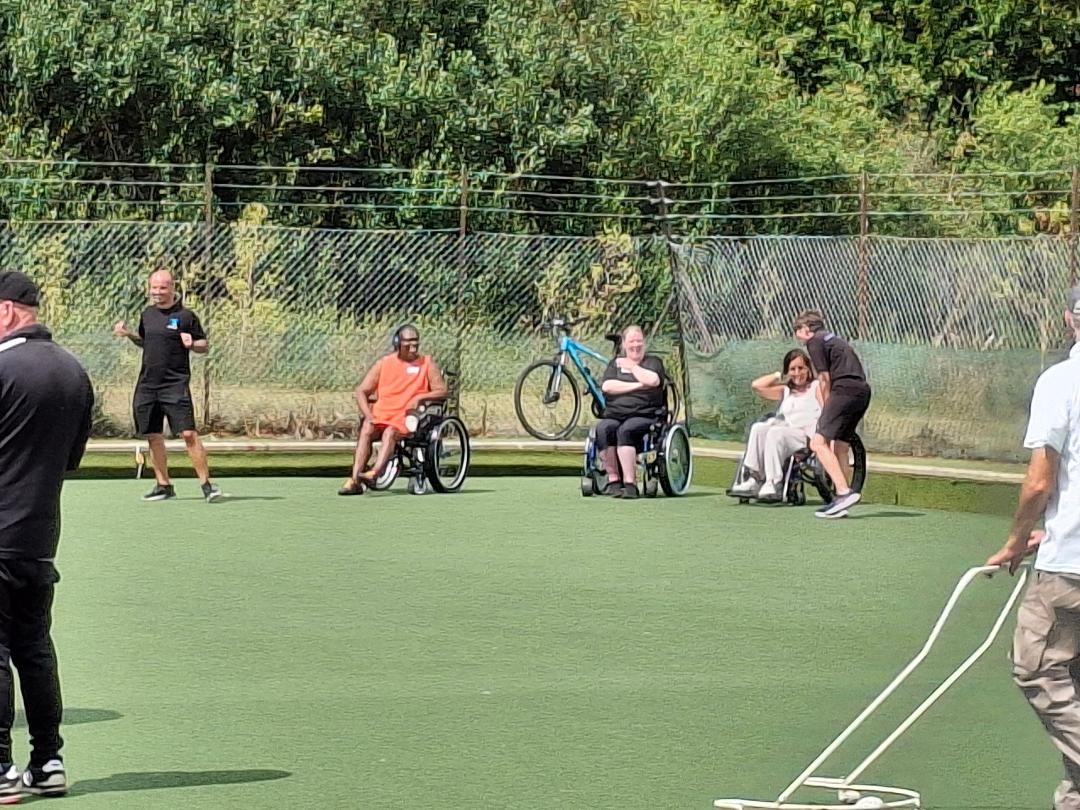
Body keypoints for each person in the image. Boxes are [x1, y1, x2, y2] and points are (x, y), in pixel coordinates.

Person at [987, 285, 1080, 810]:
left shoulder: (1062, 381)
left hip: (1071, 566)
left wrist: (1018, 538)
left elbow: (1040, 480)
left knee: (1037, 668)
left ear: (1070, 319)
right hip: (1068, 543)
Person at [0, 272, 93, 799]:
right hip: (39, 537)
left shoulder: (2, 368)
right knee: (34, 647)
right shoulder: (73, 372)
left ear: (7, 311)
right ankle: (48, 760)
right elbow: (70, 460)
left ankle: (0, 768)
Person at [114, 269, 221, 502]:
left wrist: (192, 344)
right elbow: (146, 342)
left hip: (175, 385)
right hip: (147, 386)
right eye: (154, 287)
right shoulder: (147, 314)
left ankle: (207, 485)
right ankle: (163, 485)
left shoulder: (186, 316)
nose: (157, 292)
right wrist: (128, 334)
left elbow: (204, 345)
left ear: (172, 288)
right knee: (153, 435)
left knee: (188, 434)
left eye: (162, 288)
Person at [339, 324, 448, 495]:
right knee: (367, 428)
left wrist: (419, 398)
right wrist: (368, 415)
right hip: (382, 414)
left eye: (416, 341)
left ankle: (375, 473)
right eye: (408, 341)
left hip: (407, 417)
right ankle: (355, 480)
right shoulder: (384, 363)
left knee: (390, 432)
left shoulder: (427, 363)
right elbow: (361, 391)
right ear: (397, 342)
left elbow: (442, 391)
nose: (413, 345)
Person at [794, 309, 871, 518]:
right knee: (840, 446)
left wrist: (827, 407)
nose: (798, 337)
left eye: (797, 332)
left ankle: (844, 492)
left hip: (843, 391)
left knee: (817, 443)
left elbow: (824, 378)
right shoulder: (833, 339)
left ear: (805, 329)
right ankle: (841, 501)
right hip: (862, 392)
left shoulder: (815, 341)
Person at [730, 349, 822, 503]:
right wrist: (779, 375)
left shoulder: (816, 387)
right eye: (792, 369)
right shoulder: (786, 391)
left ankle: (773, 482)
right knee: (758, 428)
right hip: (784, 432)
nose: (797, 373)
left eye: (801, 368)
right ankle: (754, 479)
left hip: (804, 436)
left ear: (808, 369)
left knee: (775, 432)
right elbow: (756, 386)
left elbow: (825, 408)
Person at [594, 325, 668, 499]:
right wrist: (638, 385)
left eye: (639, 341)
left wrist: (633, 367)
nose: (636, 345)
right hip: (615, 414)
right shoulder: (615, 364)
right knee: (603, 429)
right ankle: (613, 480)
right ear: (624, 344)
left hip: (645, 414)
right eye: (632, 341)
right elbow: (608, 386)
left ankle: (630, 484)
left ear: (644, 343)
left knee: (626, 430)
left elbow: (653, 380)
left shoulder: (653, 362)